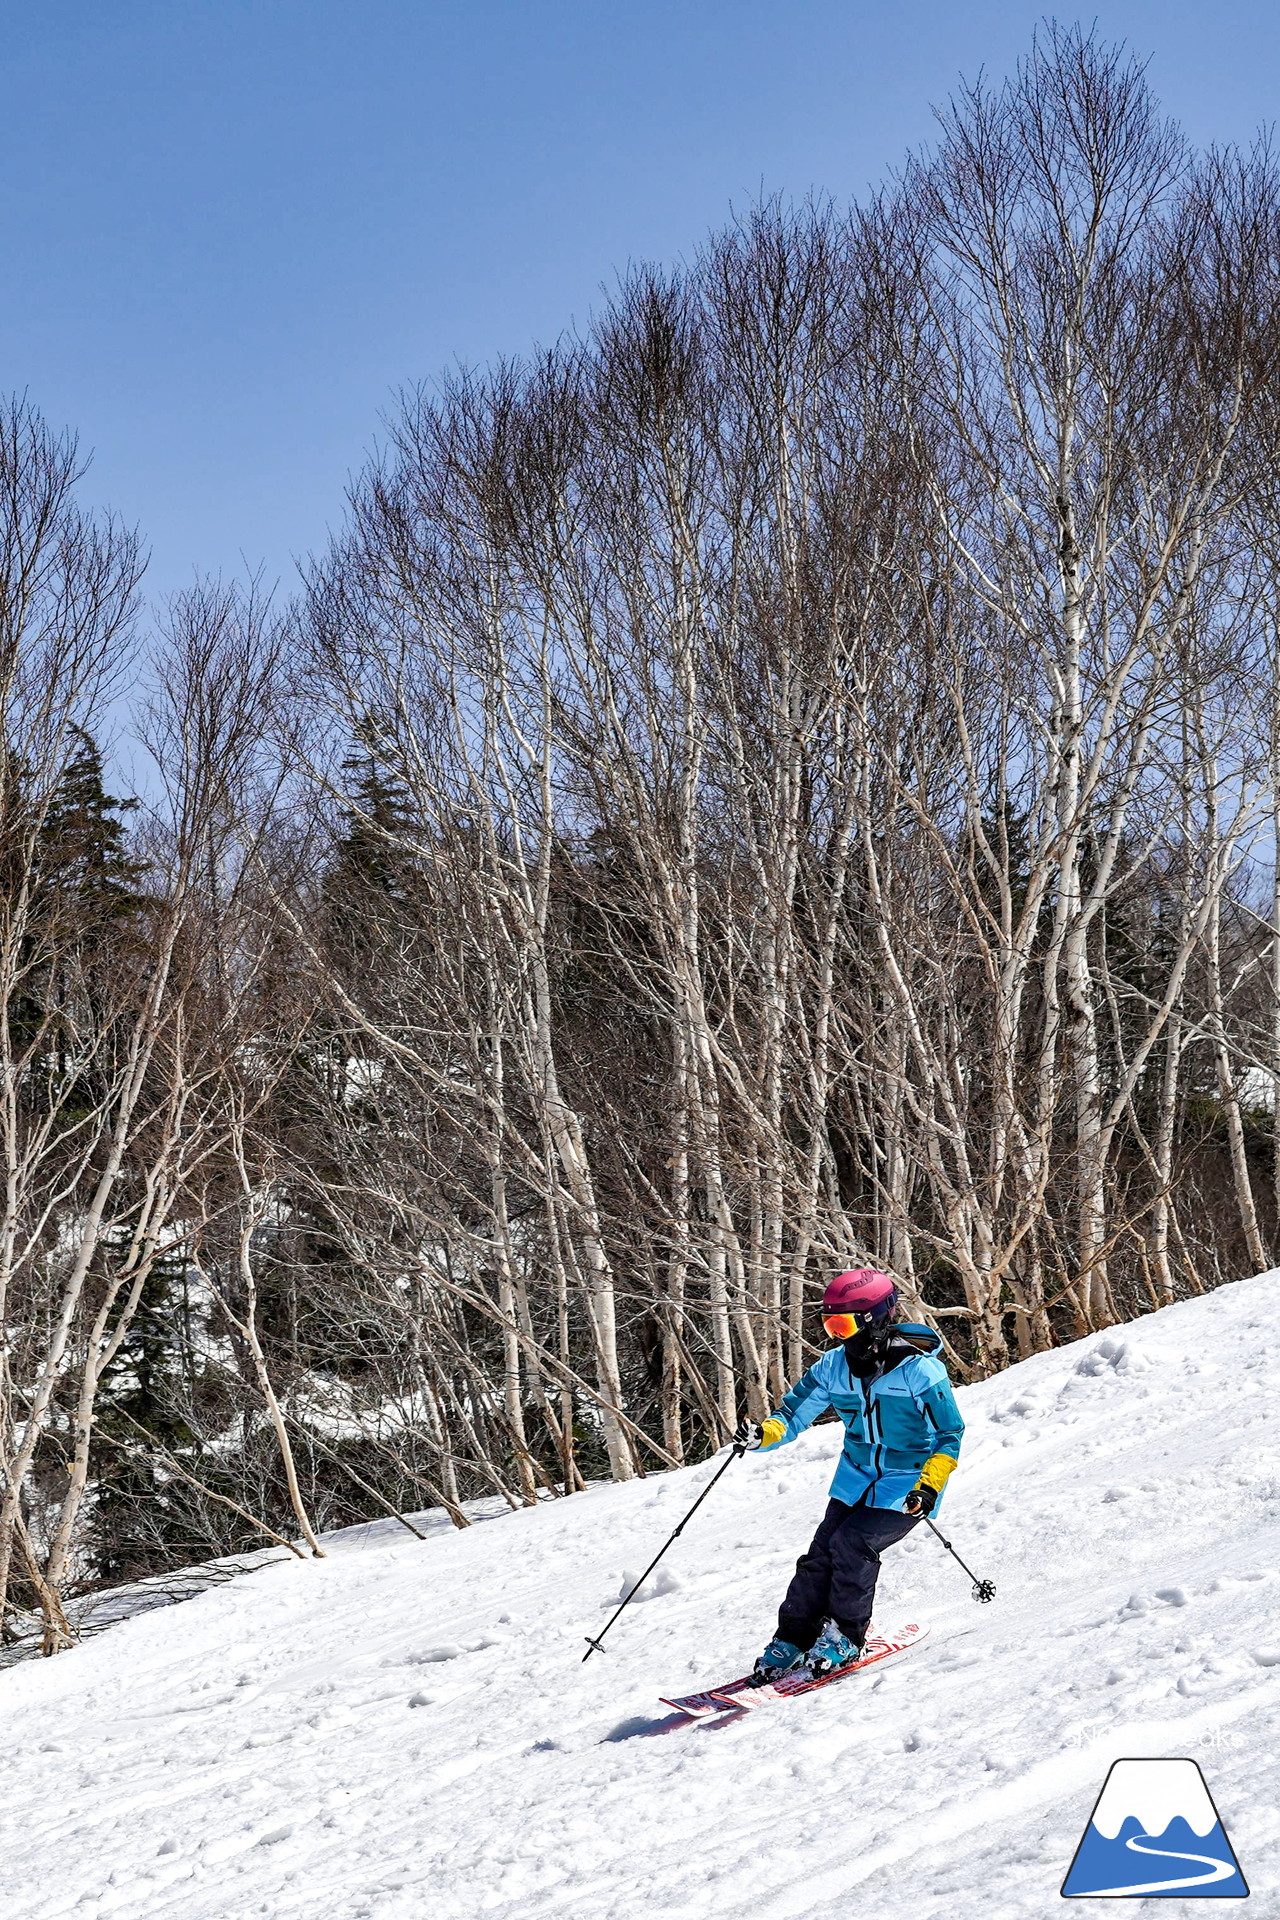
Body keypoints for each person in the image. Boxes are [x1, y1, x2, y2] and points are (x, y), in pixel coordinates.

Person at [735, 1268, 964, 1681]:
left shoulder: (919, 1372)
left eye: (843, 1324)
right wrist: (762, 1435)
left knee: (853, 1544)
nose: (837, 1336)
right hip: (855, 1477)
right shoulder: (832, 1367)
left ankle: (845, 1636)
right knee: (819, 1554)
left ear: (875, 1319)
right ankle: (793, 1639)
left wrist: (929, 1486)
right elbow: (791, 1414)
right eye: (830, 1325)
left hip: (908, 1482)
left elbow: (949, 1435)